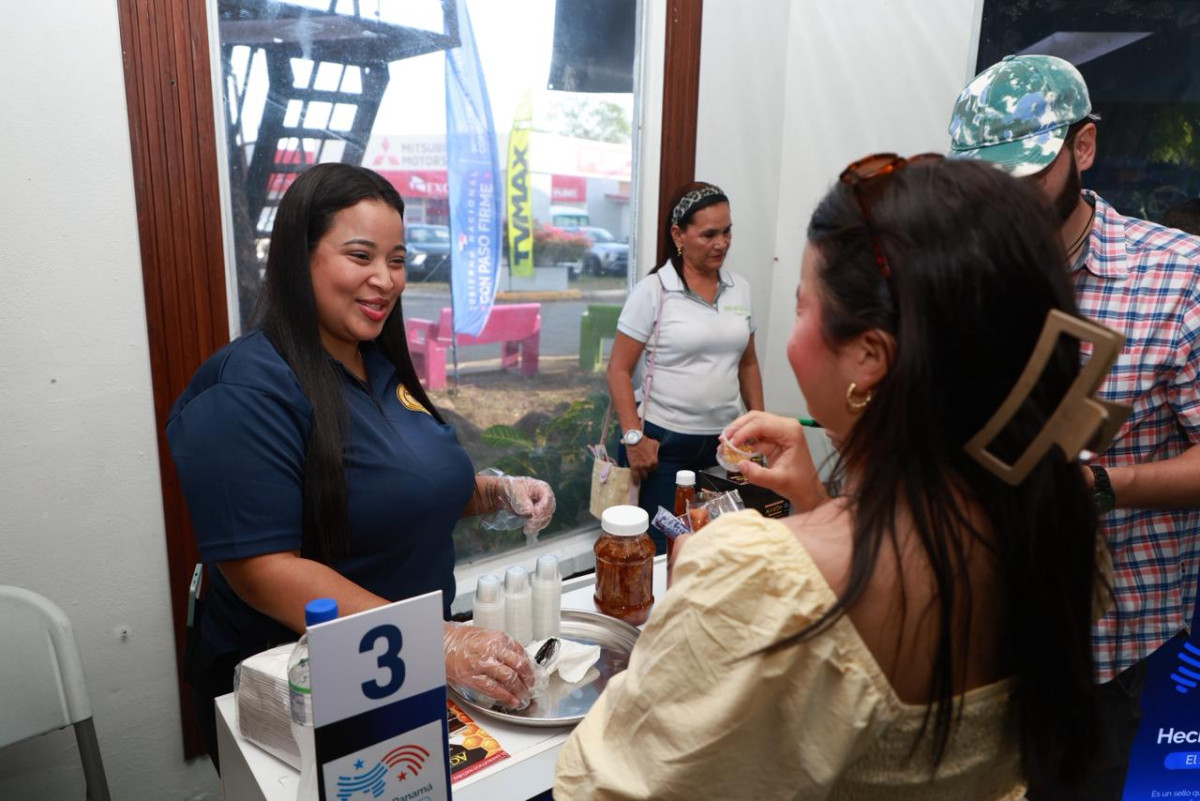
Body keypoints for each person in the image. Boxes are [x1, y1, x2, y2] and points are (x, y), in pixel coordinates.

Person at [556, 157, 1115, 798]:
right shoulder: (1055, 534)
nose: (791, 335)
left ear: (869, 357)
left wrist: (696, 605)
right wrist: (817, 501)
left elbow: (602, 786)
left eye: (802, 307)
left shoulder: (757, 576)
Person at [167, 163, 555, 770]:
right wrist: (437, 640)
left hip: (400, 672)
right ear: (299, 258)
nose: (385, 279)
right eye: (360, 255)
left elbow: (391, 490)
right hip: (302, 694)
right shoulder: (245, 388)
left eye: (397, 260)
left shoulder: (375, 364)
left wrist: (495, 492)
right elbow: (261, 569)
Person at [948, 54, 1200, 798]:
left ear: (1083, 147)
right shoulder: (965, 269)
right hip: (976, 626)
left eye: (1023, 177)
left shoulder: (1177, 277)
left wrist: (1102, 484)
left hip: (1103, 644)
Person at [606, 181, 764, 552]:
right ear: (678, 235)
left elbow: (748, 362)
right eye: (709, 234)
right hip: (665, 447)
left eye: (727, 232)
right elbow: (617, 370)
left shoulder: (739, 289)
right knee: (665, 550)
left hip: (726, 447)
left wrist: (759, 424)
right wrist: (634, 438)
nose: (721, 243)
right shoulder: (654, 291)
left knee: (719, 547)